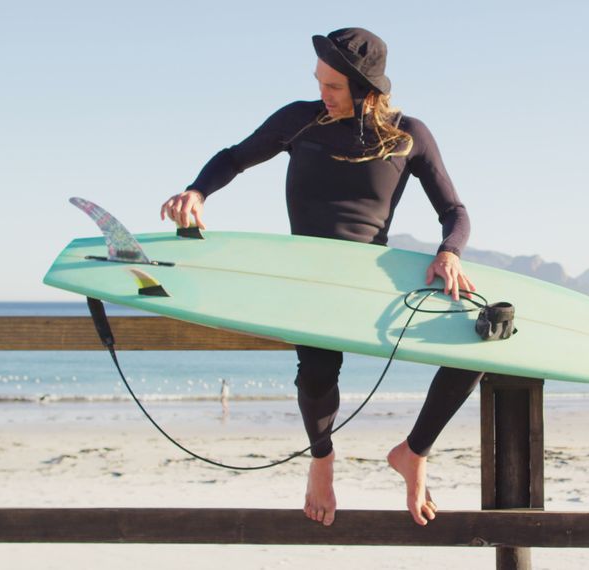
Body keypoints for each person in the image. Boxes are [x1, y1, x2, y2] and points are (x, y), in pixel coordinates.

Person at [160, 28, 483, 527]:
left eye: (332, 86)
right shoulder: (299, 121)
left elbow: (455, 210)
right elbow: (233, 158)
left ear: (366, 89)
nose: (322, 94)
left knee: (475, 345)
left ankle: (413, 452)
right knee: (316, 373)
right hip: (307, 278)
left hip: (369, 276)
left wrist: (449, 252)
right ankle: (322, 459)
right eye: (319, 82)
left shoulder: (407, 135)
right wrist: (197, 192)